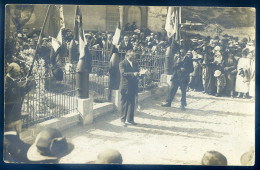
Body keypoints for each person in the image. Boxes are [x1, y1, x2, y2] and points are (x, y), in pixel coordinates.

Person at [4, 62, 33, 133]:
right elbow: (15, 94)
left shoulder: (11, 80)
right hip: (10, 112)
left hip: (14, 110)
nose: (18, 74)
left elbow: (20, 91)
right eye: (16, 72)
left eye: (18, 72)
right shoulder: (6, 82)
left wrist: (28, 82)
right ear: (10, 72)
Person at [119, 50, 139, 127]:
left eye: (134, 56)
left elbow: (137, 72)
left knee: (132, 104)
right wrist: (133, 74)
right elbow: (123, 73)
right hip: (126, 86)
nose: (134, 57)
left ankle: (130, 119)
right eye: (132, 56)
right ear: (127, 56)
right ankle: (122, 120)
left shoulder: (135, 63)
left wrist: (140, 74)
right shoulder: (122, 63)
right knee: (125, 104)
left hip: (133, 86)